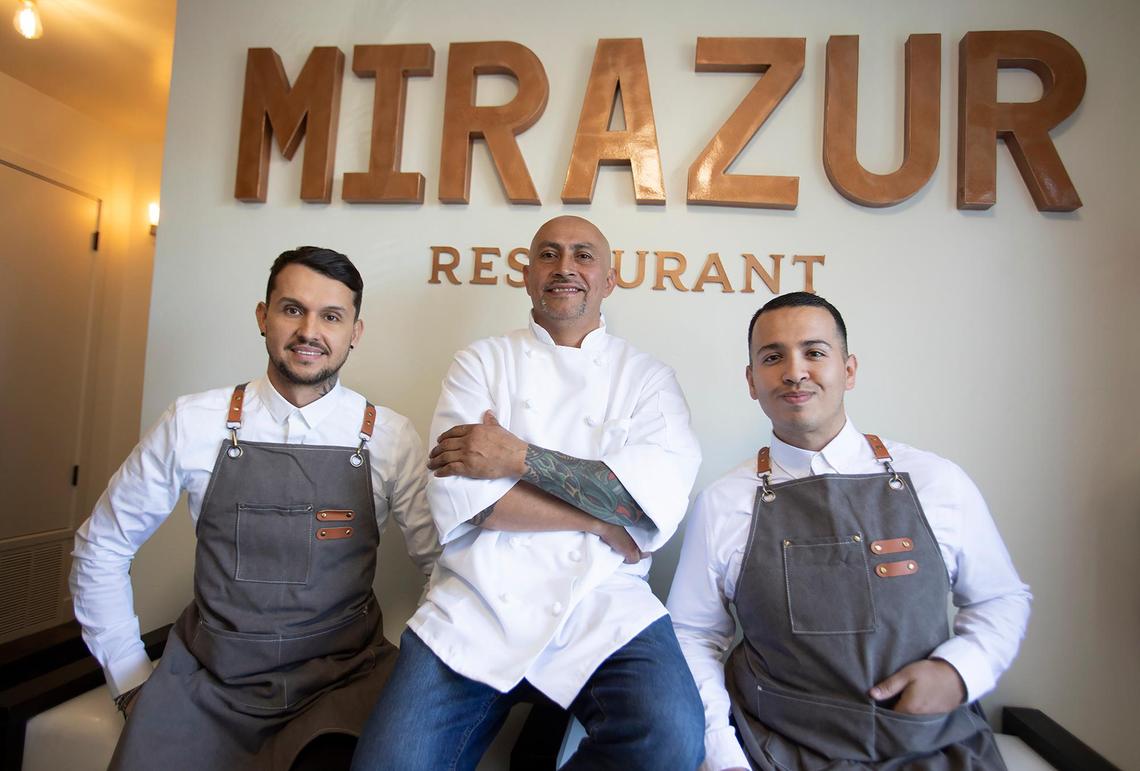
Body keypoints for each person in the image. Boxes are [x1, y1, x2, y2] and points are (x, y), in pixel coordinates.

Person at [351, 215, 706, 771]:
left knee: (671, 740)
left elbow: (642, 504)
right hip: (478, 597)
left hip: (603, 598)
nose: (565, 267)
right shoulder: (479, 364)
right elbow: (479, 505)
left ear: (609, 280)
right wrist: (599, 518)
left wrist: (517, 457)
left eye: (583, 255)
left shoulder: (648, 380)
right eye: (549, 254)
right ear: (527, 274)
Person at [70, 246, 441, 771]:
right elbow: (101, 545)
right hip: (207, 681)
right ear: (263, 317)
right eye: (292, 309)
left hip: (344, 681)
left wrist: (409, 684)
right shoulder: (193, 422)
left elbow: (444, 564)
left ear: (354, 332)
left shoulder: (389, 437)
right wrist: (129, 682)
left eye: (331, 316)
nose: (309, 330)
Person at [667, 292, 1031, 771]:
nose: (795, 371)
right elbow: (692, 636)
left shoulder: (936, 481)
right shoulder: (721, 503)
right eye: (772, 357)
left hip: (931, 742)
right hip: (775, 746)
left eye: (814, 352)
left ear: (849, 370)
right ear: (752, 381)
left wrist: (959, 671)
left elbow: (1000, 597)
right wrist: (722, 755)